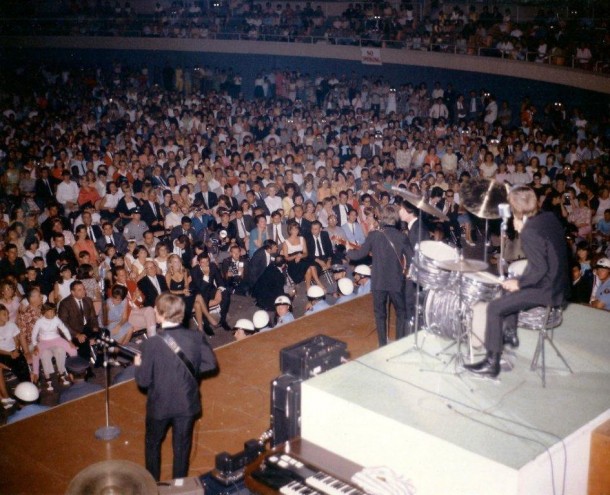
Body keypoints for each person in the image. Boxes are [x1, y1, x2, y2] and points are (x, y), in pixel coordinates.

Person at [464, 186, 569, 378]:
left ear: (515, 209)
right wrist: (523, 222)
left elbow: (539, 270)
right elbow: (545, 258)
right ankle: (509, 333)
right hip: (559, 282)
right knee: (507, 284)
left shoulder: (530, 232)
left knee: (493, 308)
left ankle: (491, 363)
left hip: (548, 289)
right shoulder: (548, 217)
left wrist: (519, 284)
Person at [134, 293, 217, 481]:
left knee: (153, 444)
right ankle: (179, 486)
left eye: (156, 309)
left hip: (159, 405)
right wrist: (189, 373)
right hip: (186, 403)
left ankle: (152, 484)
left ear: (161, 314)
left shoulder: (151, 343)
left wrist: (138, 364)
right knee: (181, 447)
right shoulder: (196, 336)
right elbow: (210, 364)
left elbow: (144, 381)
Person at [347, 205, 412, 346]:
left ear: (381, 217)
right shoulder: (402, 236)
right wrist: (406, 270)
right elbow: (411, 258)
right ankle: (400, 342)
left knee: (380, 314)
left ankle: (382, 344)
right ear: (395, 218)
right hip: (396, 281)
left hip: (378, 282)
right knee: (401, 313)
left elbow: (359, 254)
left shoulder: (374, 235)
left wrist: (347, 250)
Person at [30, 302, 78, 389]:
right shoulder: (39, 322)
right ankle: (38, 374)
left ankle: (73, 371)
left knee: (73, 350)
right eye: (50, 312)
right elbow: (34, 334)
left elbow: (64, 329)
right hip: (43, 341)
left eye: (53, 311)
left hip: (56, 339)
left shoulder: (56, 319)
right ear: (44, 312)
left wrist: (70, 340)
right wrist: (35, 345)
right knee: (35, 354)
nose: (52, 314)